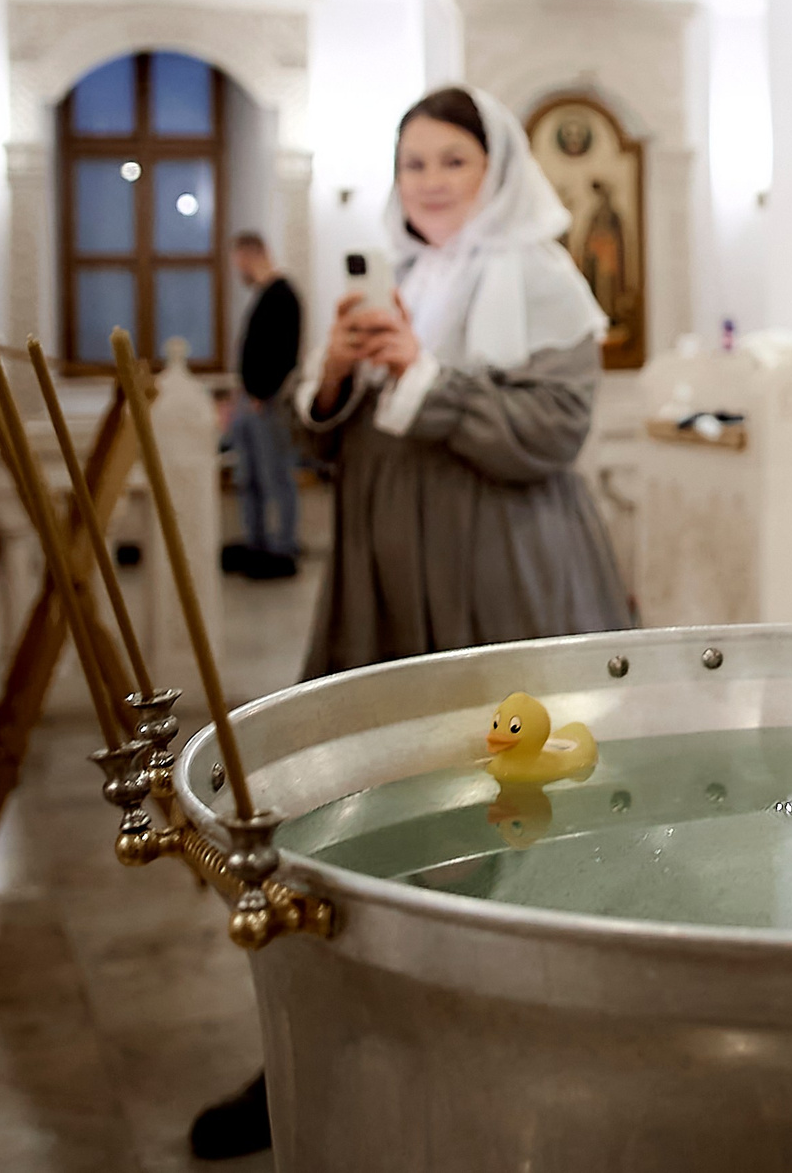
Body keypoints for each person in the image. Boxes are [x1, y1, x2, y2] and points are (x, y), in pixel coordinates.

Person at [189, 83, 630, 1161]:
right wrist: (335, 378)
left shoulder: (542, 273)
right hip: (383, 572)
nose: (427, 183)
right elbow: (330, 444)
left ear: (498, 173)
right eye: (411, 164)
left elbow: (552, 436)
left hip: (500, 565)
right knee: (365, 799)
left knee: (505, 799)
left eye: (450, 162)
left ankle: (530, 1041)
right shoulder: (396, 275)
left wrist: (417, 372)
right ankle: (336, 1034)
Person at [222, 232, 303, 580]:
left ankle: (283, 545)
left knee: (276, 477)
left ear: (251, 255)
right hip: (250, 401)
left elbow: (285, 353)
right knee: (250, 479)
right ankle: (257, 544)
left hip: (267, 404)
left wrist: (261, 394)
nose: (237, 268)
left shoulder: (283, 295)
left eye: (238, 260)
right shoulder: (262, 295)